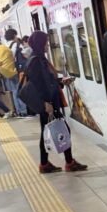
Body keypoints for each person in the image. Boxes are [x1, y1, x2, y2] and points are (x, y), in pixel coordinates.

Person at [26, 30, 87, 173]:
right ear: (41, 43)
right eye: (46, 42)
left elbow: (47, 81)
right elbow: (37, 84)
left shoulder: (38, 58)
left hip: (49, 101)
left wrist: (61, 81)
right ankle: (66, 163)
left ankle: (48, 163)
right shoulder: (36, 60)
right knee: (62, 130)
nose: (48, 45)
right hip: (47, 103)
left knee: (50, 131)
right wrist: (46, 103)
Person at [0, 34, 27, 116]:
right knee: (19, 91)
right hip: (13, 72)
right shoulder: (4, 48)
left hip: (6, 74)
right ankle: (24, 111)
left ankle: (18, 111)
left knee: (14, 92)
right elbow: (13, 57)